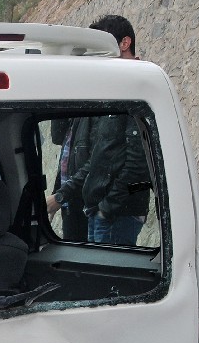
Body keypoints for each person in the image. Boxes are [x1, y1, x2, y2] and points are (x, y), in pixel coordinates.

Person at [46, 15, 149, 245]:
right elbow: (98, 157)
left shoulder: (136, 87)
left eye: (101, 47)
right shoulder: (109, 91)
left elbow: (138, 166)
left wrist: (107, 208)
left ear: (125, 43)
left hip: (115, 214)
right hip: (98, 211)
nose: (96, 55)